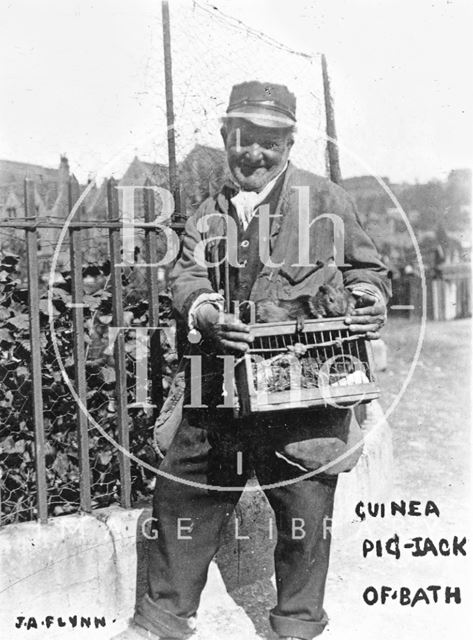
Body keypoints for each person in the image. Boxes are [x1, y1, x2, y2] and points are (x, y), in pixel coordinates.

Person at [117, 81, 390, 640]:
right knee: (182, 493)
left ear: (290, 144)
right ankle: (161, 622)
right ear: (226, 138)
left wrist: (368, 301)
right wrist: (207, 312)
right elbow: (187, 276)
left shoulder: (327, 201)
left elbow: (368, 270)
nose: (255, 154)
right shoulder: (207, 213)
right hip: (219, 386)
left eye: (270, 141)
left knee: (305, 510)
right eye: (244, 139)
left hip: (303, 389)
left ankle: (296, 625)